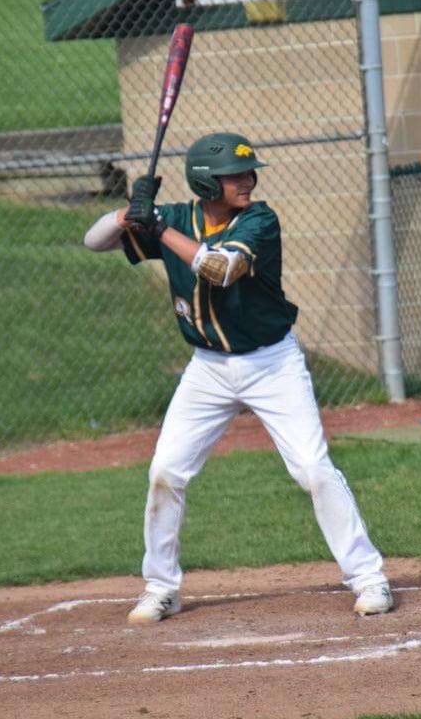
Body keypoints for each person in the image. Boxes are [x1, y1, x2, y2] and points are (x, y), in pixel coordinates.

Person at [84, 132, 393, 622]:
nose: (247, 181)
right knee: (165, 470)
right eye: (235, 176)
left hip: (272, 363)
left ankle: (369, 578)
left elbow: (218, 269)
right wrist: (127, 215)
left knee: (313, 469)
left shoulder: (258, 220)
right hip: (207, 369)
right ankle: (161, 587)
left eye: (248, 173)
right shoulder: (179, 220)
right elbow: (93, 240)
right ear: (207, 182)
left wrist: (159, 227)